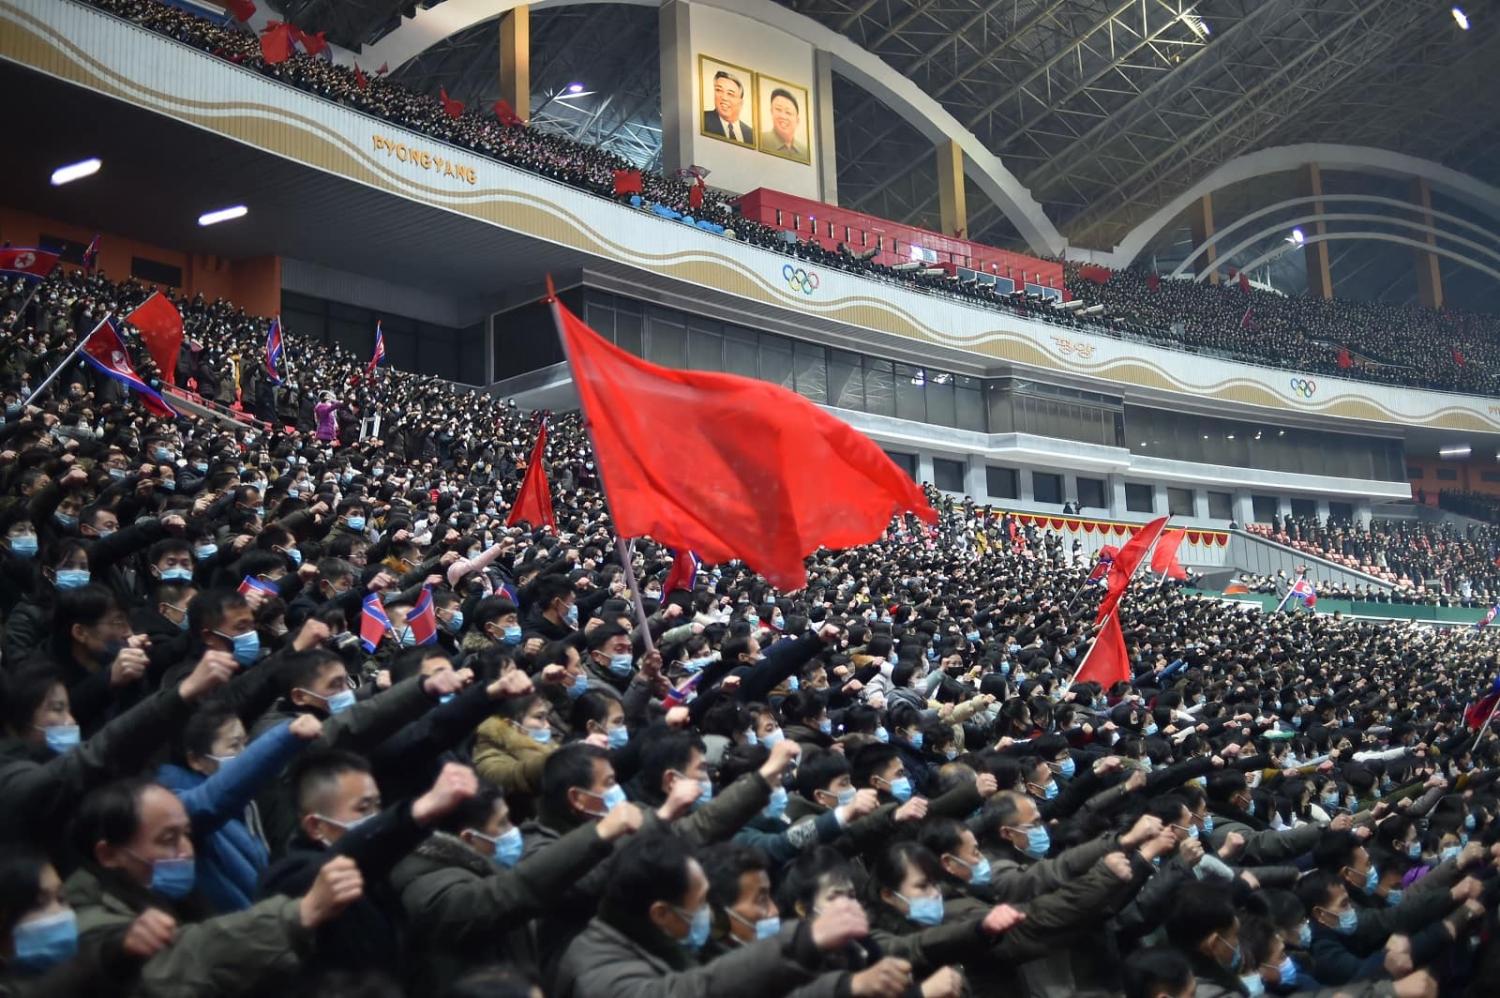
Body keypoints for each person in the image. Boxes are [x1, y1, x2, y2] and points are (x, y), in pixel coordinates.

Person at [702, 70, 753, 145]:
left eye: (730, 94)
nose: (724, 97)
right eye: (718, 90)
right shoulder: (701, 119)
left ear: (741, 103)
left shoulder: (751, 134)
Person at [759, 88, 804, 160]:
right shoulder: (760, 140)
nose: (783, 116)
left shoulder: (804, 151)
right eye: (778, 109)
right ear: (771, 112)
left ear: (797, 120)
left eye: (788, 112)